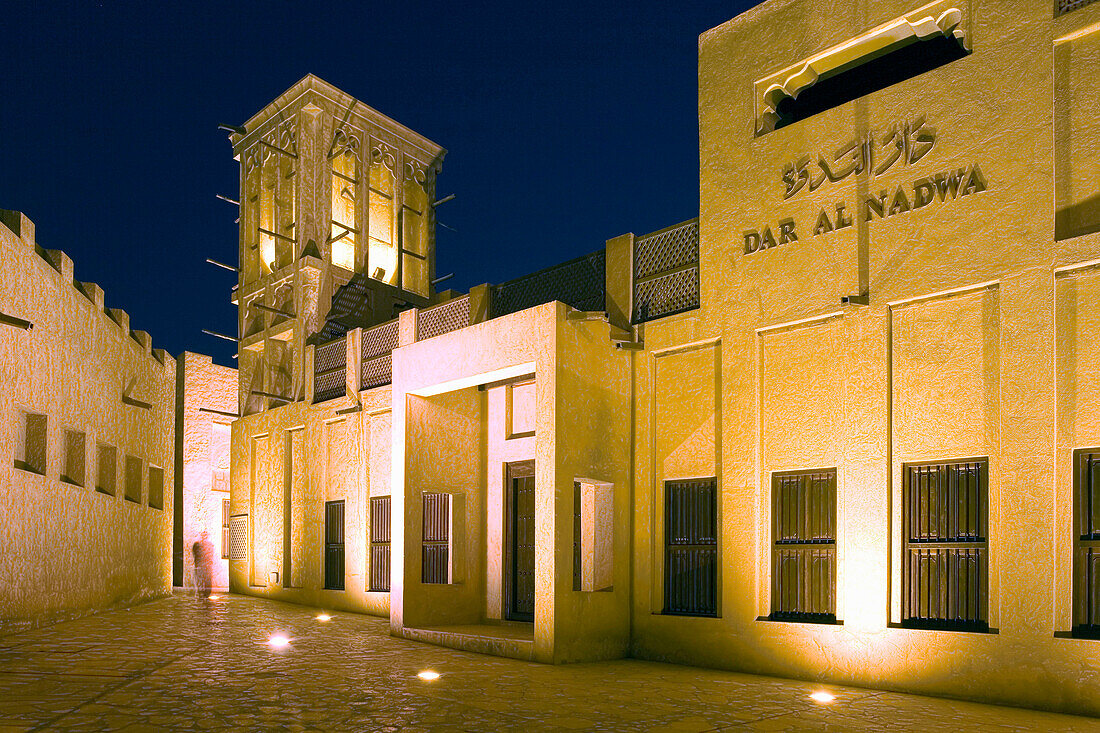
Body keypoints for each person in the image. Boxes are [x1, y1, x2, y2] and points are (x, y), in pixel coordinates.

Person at [192, 530, 215, 598]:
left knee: (204, 578)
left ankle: (205, 593)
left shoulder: (208, 545)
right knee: (201, 578)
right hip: (203, 564)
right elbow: (195, 554)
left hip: (205, 564)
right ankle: (203, 592)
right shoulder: (197, 544)